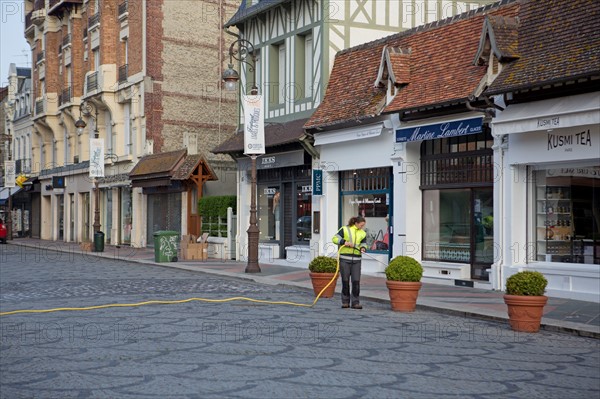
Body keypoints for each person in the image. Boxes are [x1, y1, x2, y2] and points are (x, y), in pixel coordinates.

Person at [332, 216, 367, 309]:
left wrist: (363, 248)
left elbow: (364, 243)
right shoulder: (345, 229)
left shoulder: (363, 233)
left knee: (356, 282)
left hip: (357, 260)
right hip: (344, 259)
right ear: (356, 223)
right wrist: (344, 242)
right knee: (345, 281)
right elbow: (334, 239)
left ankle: (355, 303)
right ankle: (345, 302)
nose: (362, 227)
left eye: (363, 225)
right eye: (361, 225)